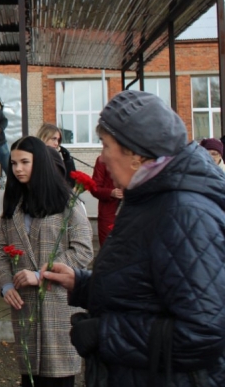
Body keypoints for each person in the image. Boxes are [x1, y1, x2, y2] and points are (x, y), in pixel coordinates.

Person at [43, 90, 225, 387]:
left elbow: (202, 334)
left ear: (137, 155)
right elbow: (149, 285)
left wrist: (104, 334)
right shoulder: (150, 197)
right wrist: (84, 284)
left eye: (106, 145)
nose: (102, 157)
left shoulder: (183, 213)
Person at [0, 136, 94, 387]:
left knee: (58, 377)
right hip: (25, 306)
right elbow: (1, 250)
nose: (18, 169)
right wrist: (6, 285)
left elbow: (82, 251)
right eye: (14, 163)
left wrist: (42, 274)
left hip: (57, 305)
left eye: (25, 162)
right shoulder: (14, 205)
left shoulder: (67, 202)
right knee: (30, 376)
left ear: (39, 163)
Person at [88, 156, 122, 246]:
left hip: (130, 212)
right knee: (108, 247)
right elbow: (94, 188)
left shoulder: (134, 158)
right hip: (109, 212)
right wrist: (110, 192)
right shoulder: (103, 160)